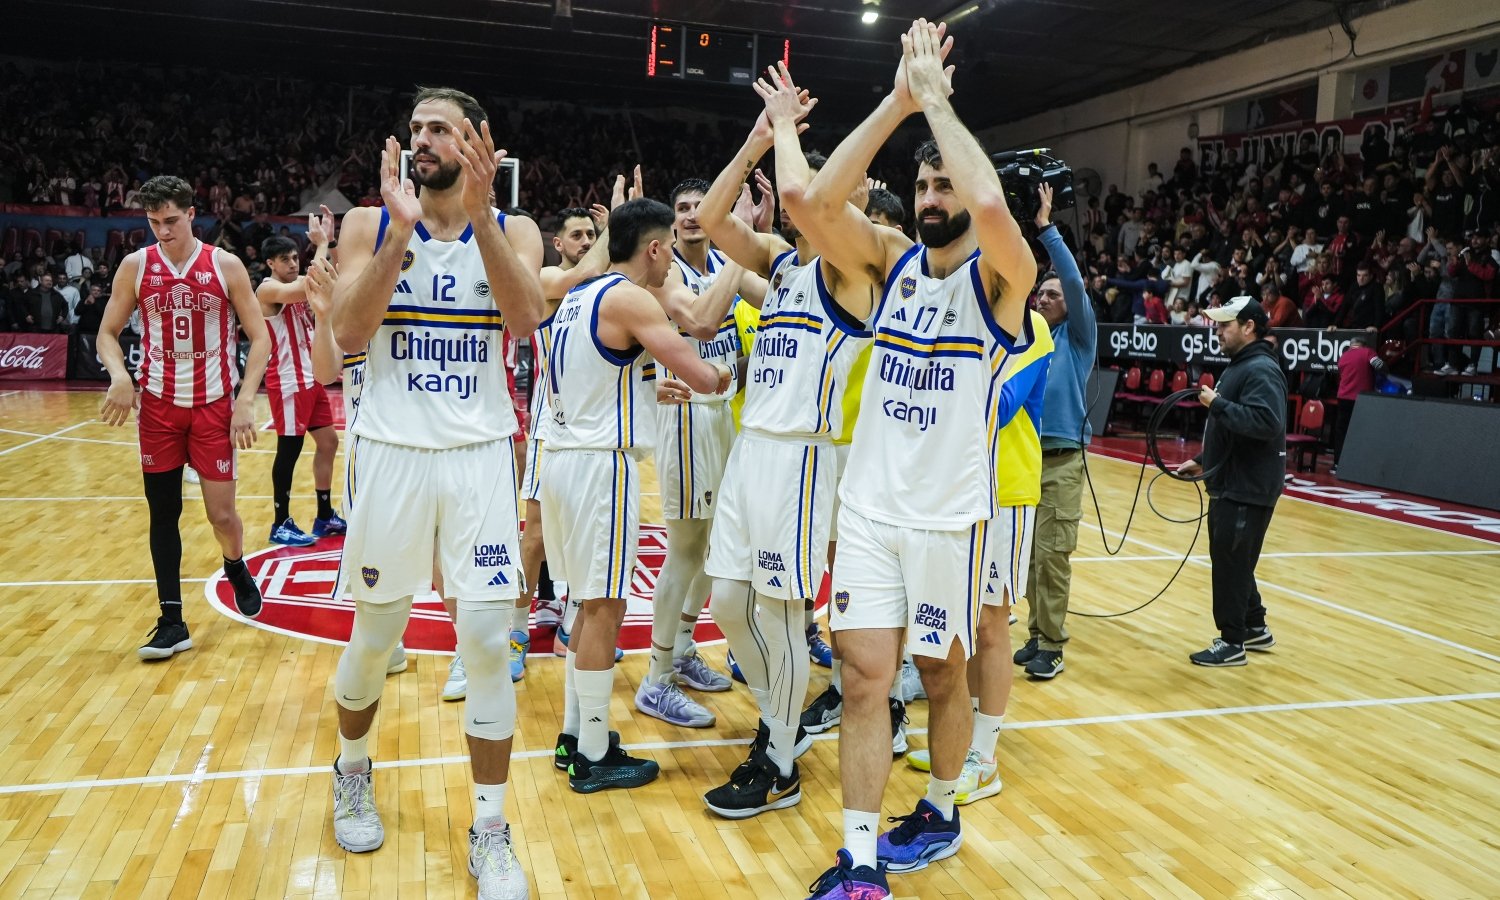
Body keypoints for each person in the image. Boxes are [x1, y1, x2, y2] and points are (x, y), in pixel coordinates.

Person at [789, 20, 1035, 898]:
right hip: (867, 512)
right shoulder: (891, 264)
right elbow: (813, 205)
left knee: (941, 672)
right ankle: (857, 861)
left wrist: (938, 100)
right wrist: (897, 102)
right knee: (864, 679)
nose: (931, 194)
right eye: (923, 181)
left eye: (943, 181)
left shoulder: (999, 282)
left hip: (948, 517)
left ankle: (939, 805)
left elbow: (999, 210)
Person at [323, 87, 545, 900]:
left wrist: (481, 219)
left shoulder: (513, 228)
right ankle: (351, 768)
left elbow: (523, 321)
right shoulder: (367, 222)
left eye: (439, 128)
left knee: (486, 642)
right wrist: (401, 233)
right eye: (415, 127)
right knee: (378, 636)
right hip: (390, 453)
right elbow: (346, 335)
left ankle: (491, 829)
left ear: (474, 143)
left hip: (480, 453)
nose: (422, 139)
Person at [691, 64, 876, 819]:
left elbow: (809, 199)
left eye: (845, 189)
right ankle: (784, 724)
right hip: (751, 450)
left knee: (780, 613)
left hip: (803, 454)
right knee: (729, 604)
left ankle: (777, 761)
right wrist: (756, 140)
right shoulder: (785, 267)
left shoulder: (858, 271)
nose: (825, 197)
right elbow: (709, 218)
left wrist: (794, 137)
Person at [542, 197, 733, 793]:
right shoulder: (630, 297)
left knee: (582, 605)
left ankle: (577, 737)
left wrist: (650, 394)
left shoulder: (577, 295)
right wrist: (720, 378)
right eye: (668, 249)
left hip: (561, 460)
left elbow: (601, 373)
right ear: (654, 248)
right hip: (602, 468)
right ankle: (594, 754)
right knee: (605, 608)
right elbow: (702, 361)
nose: (671, 261)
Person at [96, 175, 269, 659]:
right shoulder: (135, 266)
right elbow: (107, 333)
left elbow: (260, 338)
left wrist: (245, 400)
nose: (163, 231)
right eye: (154, 222)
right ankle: (172, 619)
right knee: (163, 512)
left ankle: (235, 565)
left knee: (221, 515)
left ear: (193, 214)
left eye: (171, 221)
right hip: (157, 408)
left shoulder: (225, 265)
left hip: (214, 406)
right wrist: (119, 376)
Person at [633, 179, 764, 728]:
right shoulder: (665, 277)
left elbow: (777, 295)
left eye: (698, 208)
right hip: (684, 414)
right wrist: (743, 236)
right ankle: (655, 677)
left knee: (715, 546)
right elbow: (702, 323)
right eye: (682, 208)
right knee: (686, 547)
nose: (690, 216)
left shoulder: (726, 270)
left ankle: (682, 647)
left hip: (721, 415)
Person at [512, 196, 615, 682]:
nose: (586, 243)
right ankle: (514, 631)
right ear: (557, 244)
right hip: (550, 430)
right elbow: (585, 272)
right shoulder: (549, 281)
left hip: (592, 431)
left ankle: (569, 625)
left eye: (591, 237)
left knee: (582, 540)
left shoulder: (603, 290)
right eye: (578, 235)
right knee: (533, 538)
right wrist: (615, 228)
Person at [1175, 296, 1287, 667]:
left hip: (1247, 485)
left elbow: (1266, 423)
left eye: (1225, 325)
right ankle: (1254, 626)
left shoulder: (1260, 370)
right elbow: (1235, 429)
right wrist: (1202, 460)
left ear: (1249, 326)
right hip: (1233, 479)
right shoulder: (1244, 365)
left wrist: (1216, 404)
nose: (1218, 331)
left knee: (1230, 563)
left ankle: (1232, 642)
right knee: (1234, 560)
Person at [1016, 184, 1096, 682]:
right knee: (1026, 553)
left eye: (1053, 294)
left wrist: (1046, 229)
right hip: (1025, 458)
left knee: (1052, 555)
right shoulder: (1029, 335)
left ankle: (1053, 643)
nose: (1043, 298)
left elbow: (1072, 279)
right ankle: (1035, 633)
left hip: (1063, 461)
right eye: (1039, 292)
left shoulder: (1079, 336)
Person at [257, 220, 345, 548]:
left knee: (328, 443)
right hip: (289, 381)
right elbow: (311, 284)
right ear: (270, 264)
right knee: (289, 452)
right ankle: (280, 522)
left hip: (312, 378)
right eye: (286, 260)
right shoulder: (267, 289)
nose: (293, 264)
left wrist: (329, 244)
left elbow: (325, 279)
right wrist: (321, 243)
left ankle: (324, 516)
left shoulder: (297, 282)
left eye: (296, 257)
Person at [1333, 331, 1380, 472]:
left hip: (1343, 398)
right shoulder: (1367, 352)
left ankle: (1337, 463)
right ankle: (1359, 465)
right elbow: (1379, 365)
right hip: (1362, 398)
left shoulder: (1343, 356)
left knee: (1341, 431)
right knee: (1361, 431)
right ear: (1363, 345)